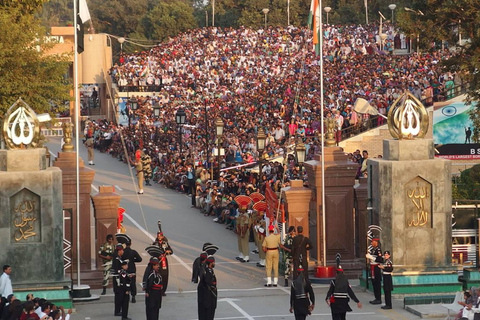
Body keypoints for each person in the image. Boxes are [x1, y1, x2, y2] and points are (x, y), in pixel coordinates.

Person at [152, 231, 173, 296]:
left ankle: (163, 290)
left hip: (164, 261)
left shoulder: (165, 243)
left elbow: (171, 251)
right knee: (158, 275)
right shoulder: (155, 243)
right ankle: (158, 289)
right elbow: (152, 252)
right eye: (158, 236)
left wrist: (167, 251)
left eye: (160, 236)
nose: (159, 237)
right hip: (157, 261)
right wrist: (158, 255)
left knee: (165, 276)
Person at [198, 255, 217, 320]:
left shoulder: (210, 271)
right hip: (207, 299)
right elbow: (207, 283)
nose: (214, 263)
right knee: (207, 315)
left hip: (210, 298)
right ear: (210, 263)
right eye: (213, 262)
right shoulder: (206, 273)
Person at [124, 239, 142, 303]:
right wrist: (133, 260)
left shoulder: (123, 251)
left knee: (125, 283)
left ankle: (126, 295)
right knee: (133, 283)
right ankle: (133, 296)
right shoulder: (133, 252)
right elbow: (140, 259)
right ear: (130, 244)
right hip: (132, 269)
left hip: (125, 269)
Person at [366, 237, 383, 305]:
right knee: (374, 283)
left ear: (376, 242)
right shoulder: (373, 249)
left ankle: (379, 299)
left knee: (377, 283)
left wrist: (371, 257)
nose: (371, 243)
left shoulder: (378, 250)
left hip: (376, 268)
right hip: (372, 267)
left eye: (372, 242)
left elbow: (380, 260)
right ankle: (376, 298)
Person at [112, 243, 125, 316]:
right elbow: (118, 270)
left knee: (119, 296)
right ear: (119, 251)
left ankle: (118, 310)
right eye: (122, 250)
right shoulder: (117, 259)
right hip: (118, 280)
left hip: (119, 279)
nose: (123, 251)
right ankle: (117, 311)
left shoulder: (119, 258)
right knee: (118, 296)